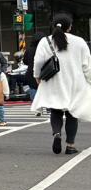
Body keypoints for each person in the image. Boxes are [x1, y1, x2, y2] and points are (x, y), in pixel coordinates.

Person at [31, 13, 91, 155]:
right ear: (69, 27)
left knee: (56, 110)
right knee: (72, 114)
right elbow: (87, 65)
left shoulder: (45, 41)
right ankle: (70, 145)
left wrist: (37, 76)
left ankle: (57, 134)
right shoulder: (80, 41)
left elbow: (38, 61)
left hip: (54, 81)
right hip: (75, 83)